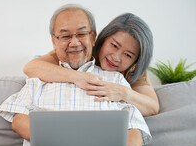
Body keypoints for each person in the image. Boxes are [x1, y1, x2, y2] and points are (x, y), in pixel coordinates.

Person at [0, 4, 173, 146]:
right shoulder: (41, 75)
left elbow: (135, 126)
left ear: (93, 37)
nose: (74, 42)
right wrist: (63, 142)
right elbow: (19, 120)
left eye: (81, 34)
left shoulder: (118, 80)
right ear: (54, 41)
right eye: (65, 36)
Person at [23, 10, 158, 116]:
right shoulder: (81, 52)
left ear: (136, 61)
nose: (116, 57)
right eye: (114, 45)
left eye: (128, 55)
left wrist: (123, 93)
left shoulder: (133, 70)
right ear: (102, 38)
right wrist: (78, 77)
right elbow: (31, 67)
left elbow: (152, 106)